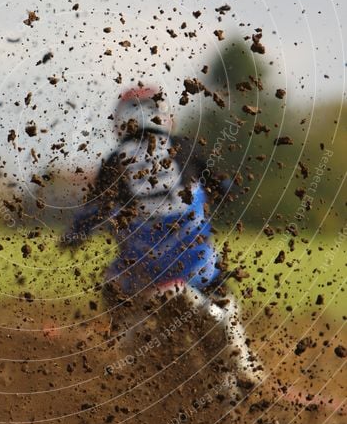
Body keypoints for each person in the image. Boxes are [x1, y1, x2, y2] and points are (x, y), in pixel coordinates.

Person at [63, 85, 261, 388]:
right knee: (224, 294)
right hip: (193, 265)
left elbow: (92, 214)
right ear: (164, 115)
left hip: (141, 273)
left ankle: (128, 345)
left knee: (112, 288)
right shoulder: (184, 148)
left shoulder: (114, 163)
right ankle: (243, 361)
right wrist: (225, 189)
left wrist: (72, 237)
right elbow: (223, 188)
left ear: (120, 121)